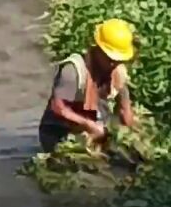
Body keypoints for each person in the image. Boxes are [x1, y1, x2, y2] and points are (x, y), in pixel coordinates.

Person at [39, 18, 140, 153]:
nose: (113, 64)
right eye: (110, 59)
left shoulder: (118, 73)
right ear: (98, 50)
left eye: (117, 60)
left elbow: (125, 109)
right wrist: (88, 125)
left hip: (95, 127)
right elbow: (58, 108)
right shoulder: (74, 70)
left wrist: (132, 134)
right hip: (58, 132)